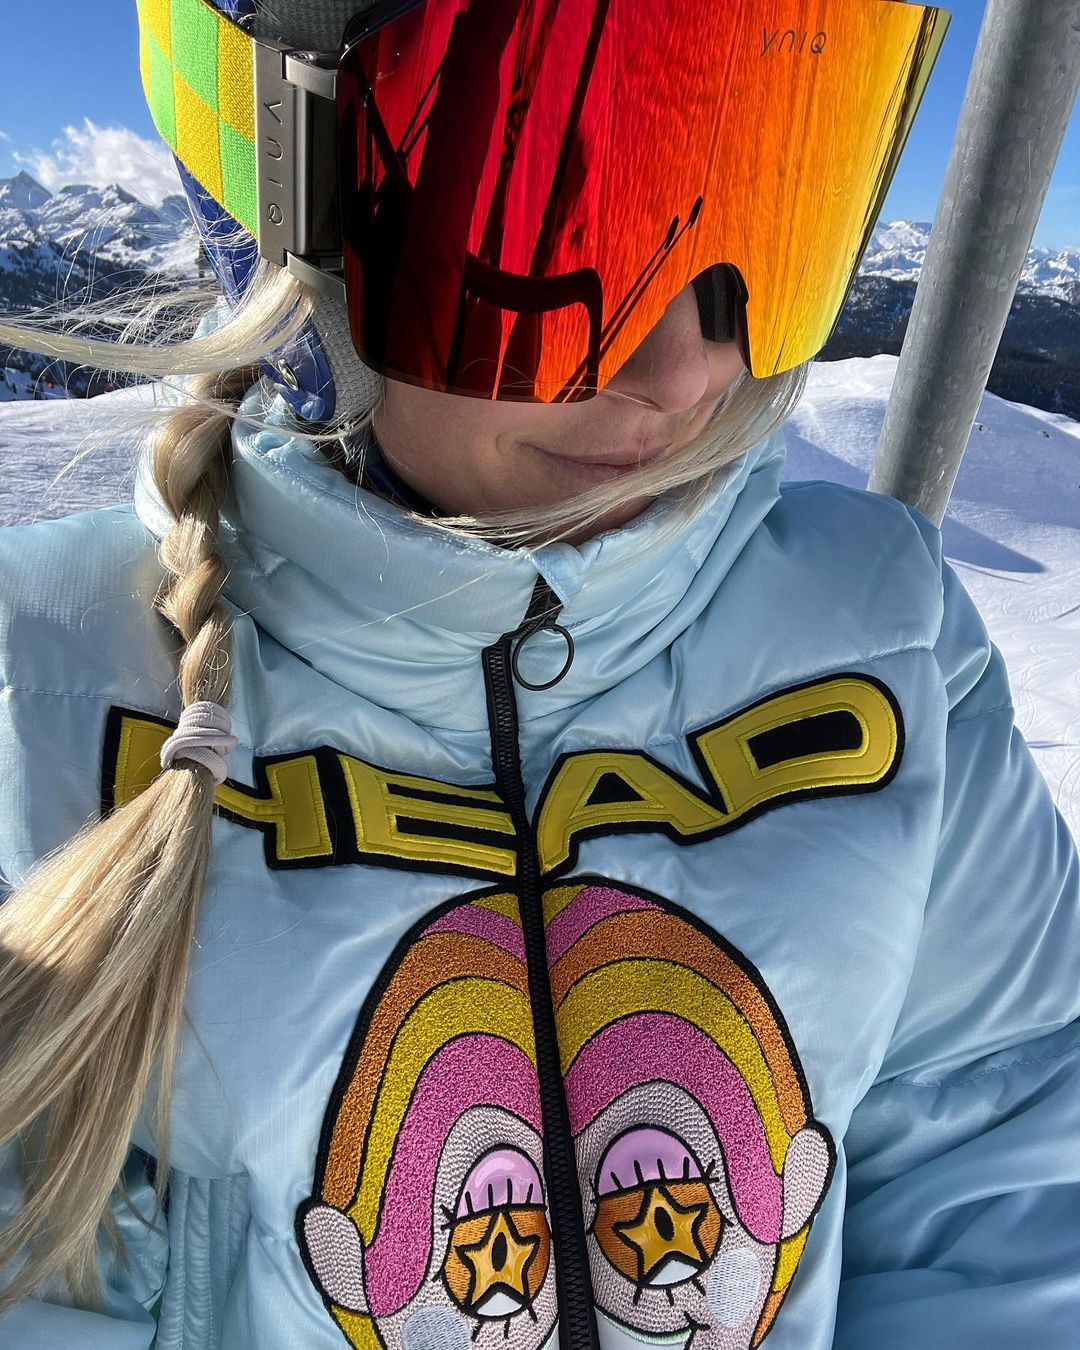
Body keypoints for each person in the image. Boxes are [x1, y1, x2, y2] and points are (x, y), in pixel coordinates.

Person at [0, 2, 1077, 1348]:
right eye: (552, 225)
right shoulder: (44, 701)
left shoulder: (886, 637)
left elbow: (1006, 1162)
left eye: (771, 211)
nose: (687, 368)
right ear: (289, 200)